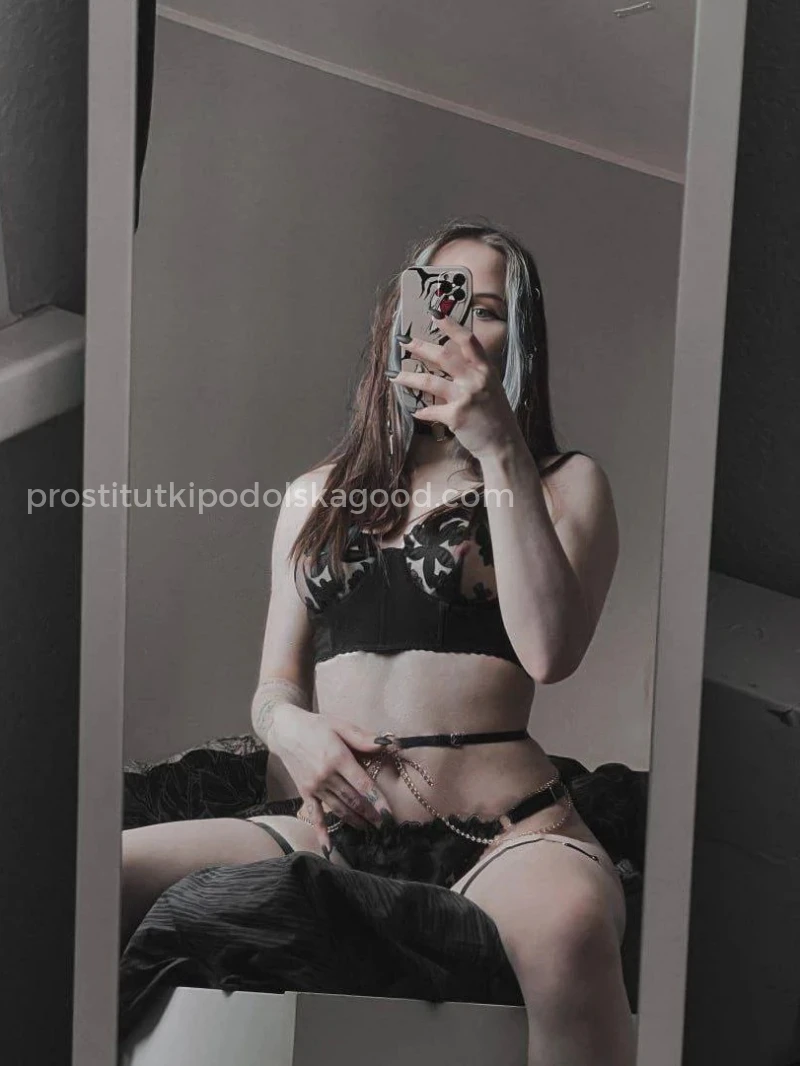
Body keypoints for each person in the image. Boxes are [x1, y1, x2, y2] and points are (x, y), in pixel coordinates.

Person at [122, 217, 634, 1065]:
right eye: (442, 300)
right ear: (402, 322)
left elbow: (552, 652)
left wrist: (500, 446)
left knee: (573, 928)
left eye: (490, 310)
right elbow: (273, 688)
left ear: (521, 340)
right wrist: (293, 730)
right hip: (328, 830)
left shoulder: (563, 483)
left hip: (504, 835)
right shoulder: (314, 495)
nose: (461, 323)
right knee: (98, 872)